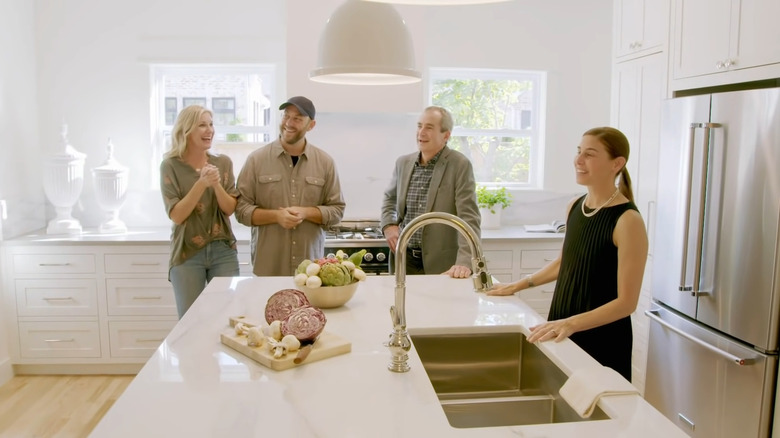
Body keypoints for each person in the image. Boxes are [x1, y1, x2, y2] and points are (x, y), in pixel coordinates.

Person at [487, 127, 648, 381]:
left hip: (601, 337)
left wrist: (571, 323)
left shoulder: (628, 220)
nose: (578, 160)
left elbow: (626, 303)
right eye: (578, 151)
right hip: (562, 324)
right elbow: (566, 261)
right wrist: (518, 285)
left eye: (590, 154)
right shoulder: (575, 206)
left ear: (617, 163)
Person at [235, 96, 345, 276]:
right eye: (286, 116)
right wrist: (276, 216)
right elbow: (240, 210)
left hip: (310, 271)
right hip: (268, 268)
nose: (289, 123)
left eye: (297, 118)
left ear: (311, 125)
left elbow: (337, 211)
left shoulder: (325, 163)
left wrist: (306, 212)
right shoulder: (256, 160)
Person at [380, 106, 481, 278]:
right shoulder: (403, 162)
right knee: (403, 304)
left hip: (442, 263)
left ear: (446, 135)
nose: (421, 132)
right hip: (404, 259)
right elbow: (390, 198)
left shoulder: (460, 165)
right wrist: (389, 226)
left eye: (429, 127)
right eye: (420, 126)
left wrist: (465, 262)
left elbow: (468, 217)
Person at [160, 105, 240, 318]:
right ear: (186, 130)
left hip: (223, 249)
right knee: (190, 323)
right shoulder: (169, 166)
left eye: (211, 124)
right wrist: (201, 184)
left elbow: (229, 208)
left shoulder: (223, 163)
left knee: (226, 319)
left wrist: (215, 185)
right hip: (187, 252)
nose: (209, 130)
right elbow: (176, 215)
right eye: (202, 125)